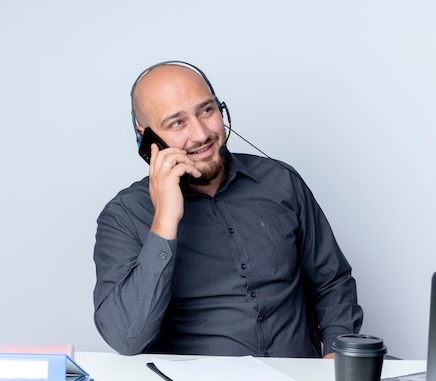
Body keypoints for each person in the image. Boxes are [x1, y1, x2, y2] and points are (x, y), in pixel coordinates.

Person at [93, 61, 363, 358]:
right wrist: (165, 220)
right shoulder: (123, 217)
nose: (200, 135)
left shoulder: (281, 182)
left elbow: (332, 281)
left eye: (206, 110)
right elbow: (126, 338)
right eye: (177, 123)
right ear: (147, 138)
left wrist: (337, 354)